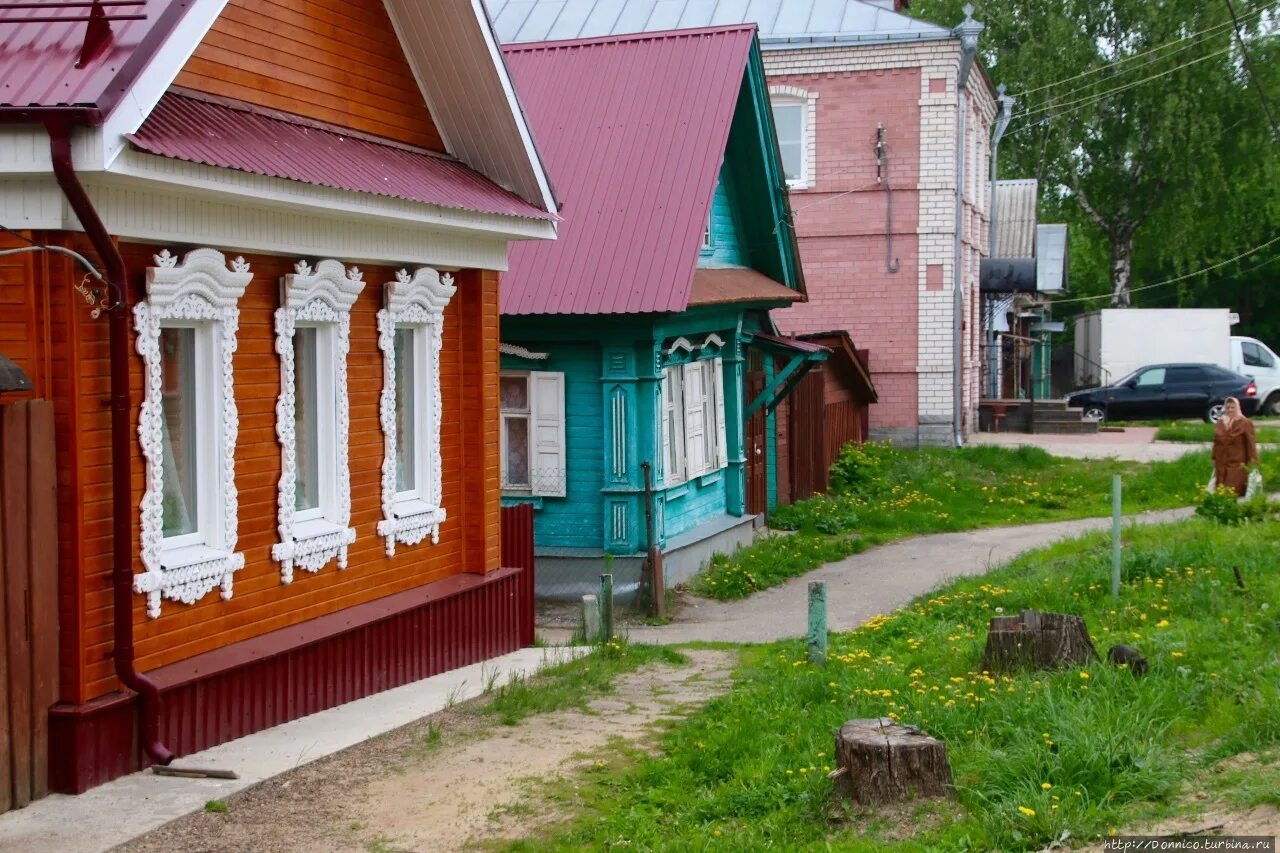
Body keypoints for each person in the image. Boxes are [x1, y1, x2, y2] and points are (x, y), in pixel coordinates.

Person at [1212, 397, 1259, 497]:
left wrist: (1253, 463)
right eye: (1228, 407)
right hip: (1221, 463)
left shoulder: (1245, 423)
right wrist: (1214, 458)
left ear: (1237, 407)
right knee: (1220, 492)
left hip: (1237, 464)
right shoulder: (1221, 423)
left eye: (1232, 407)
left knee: (1232, 491)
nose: (1230, 410)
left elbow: (1251, 444)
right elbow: (1216, 442)